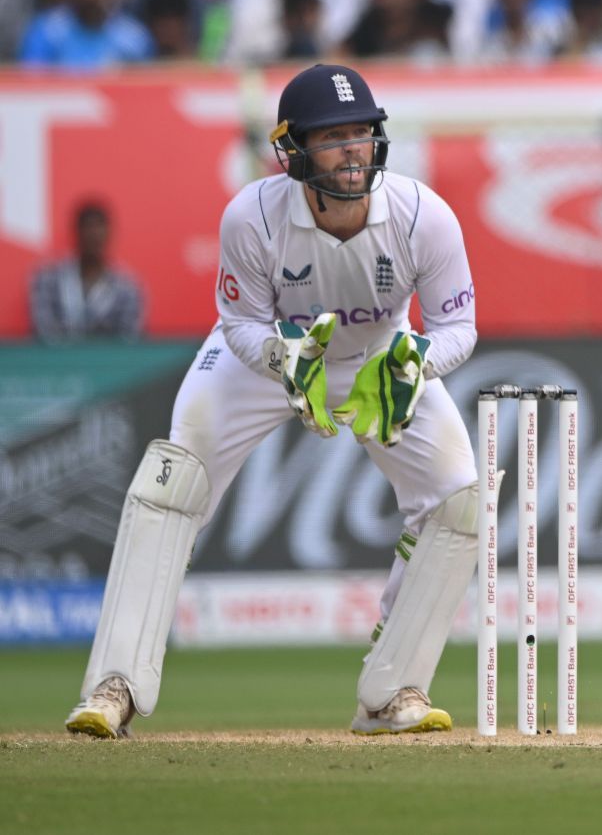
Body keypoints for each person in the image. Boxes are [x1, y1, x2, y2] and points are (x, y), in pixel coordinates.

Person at [66, 64, 480, 739]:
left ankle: (391, 692)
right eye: (334, 137)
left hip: (382, 358)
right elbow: (239, 322)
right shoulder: (252, 217)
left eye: (362, 134)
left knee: (459, 501)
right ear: (293, 151)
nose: (353, 150)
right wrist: (281, 359)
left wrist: (416, 363)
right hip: (264, 359)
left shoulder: (421, 215)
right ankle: (115, 687)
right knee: (173, 485)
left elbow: (459, 327)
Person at [28, 200, 146, 341]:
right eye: (88, 226)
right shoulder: (47, 280)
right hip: (57, 361)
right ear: (76, 231)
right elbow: (44, 332)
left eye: (100, 226)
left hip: (108, 362)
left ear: (109, 232)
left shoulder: (128, 288)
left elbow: (128, 338)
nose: (94, 234)